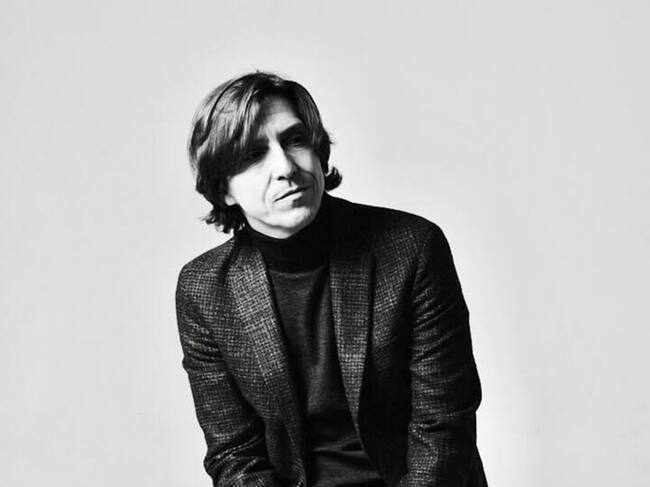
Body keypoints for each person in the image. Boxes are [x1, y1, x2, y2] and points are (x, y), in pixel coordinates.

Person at [176, 71, 488, 486]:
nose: (285, 167)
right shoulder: (204, 289)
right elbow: (235, 455)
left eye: (295, 140)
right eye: (253, 155)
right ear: (224, 189)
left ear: (319, 151)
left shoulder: (411, 248)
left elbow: (444, 427)